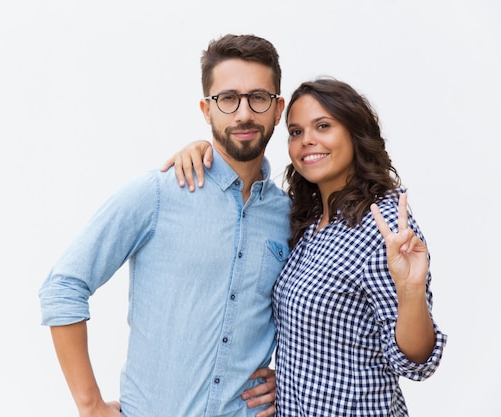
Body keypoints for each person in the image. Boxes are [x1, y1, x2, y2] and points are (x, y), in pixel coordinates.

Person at [38, 34, 293, 417]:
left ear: (277, 109)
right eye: (228, 98)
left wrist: (285, 378)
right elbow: (63, 287)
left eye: (259, 97)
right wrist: (89, 406)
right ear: (206, 110)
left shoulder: (290, 217)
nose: (243, 113)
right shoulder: (159, 193)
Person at [163, 78, 447, 416]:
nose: (306, 140)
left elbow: (416, 362)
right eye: (296, 132)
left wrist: (411, 291)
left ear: (354, 133)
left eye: (323, 126)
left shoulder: (384, 226)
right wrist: (283, 380)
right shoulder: (308, 222)